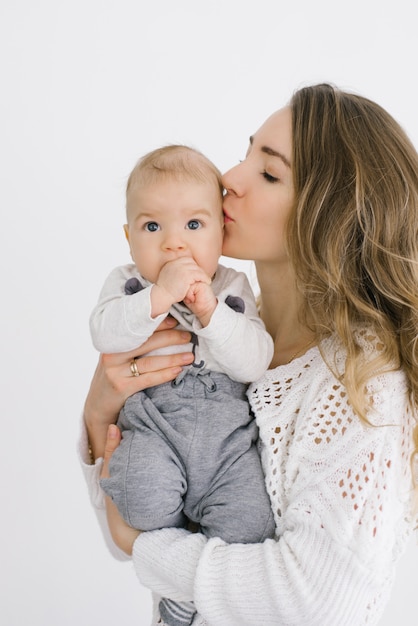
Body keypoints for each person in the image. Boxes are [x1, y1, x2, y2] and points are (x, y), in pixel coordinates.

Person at [80, 83, 418, 625]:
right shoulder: (216, 326)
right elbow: (140, 519)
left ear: (325, 216)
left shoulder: (362, 383)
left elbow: (315, 603)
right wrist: (100, 415)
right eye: (245, 154)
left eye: (268, 173)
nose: (228, 180)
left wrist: (143, 547)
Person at [88, 144, 275, 626]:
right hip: (154, 426)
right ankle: (174, 591)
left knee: (250, 521)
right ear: (129, 238)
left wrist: (212, 315)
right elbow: (104, 333)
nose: (175, 244)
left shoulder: (232, 288)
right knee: (139, 494)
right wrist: (158, 297)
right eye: (153, 227)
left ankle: (189, 596)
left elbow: (255, 360)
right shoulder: (128, 285)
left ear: (220, 230)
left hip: (227, 444)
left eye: (194, 225)